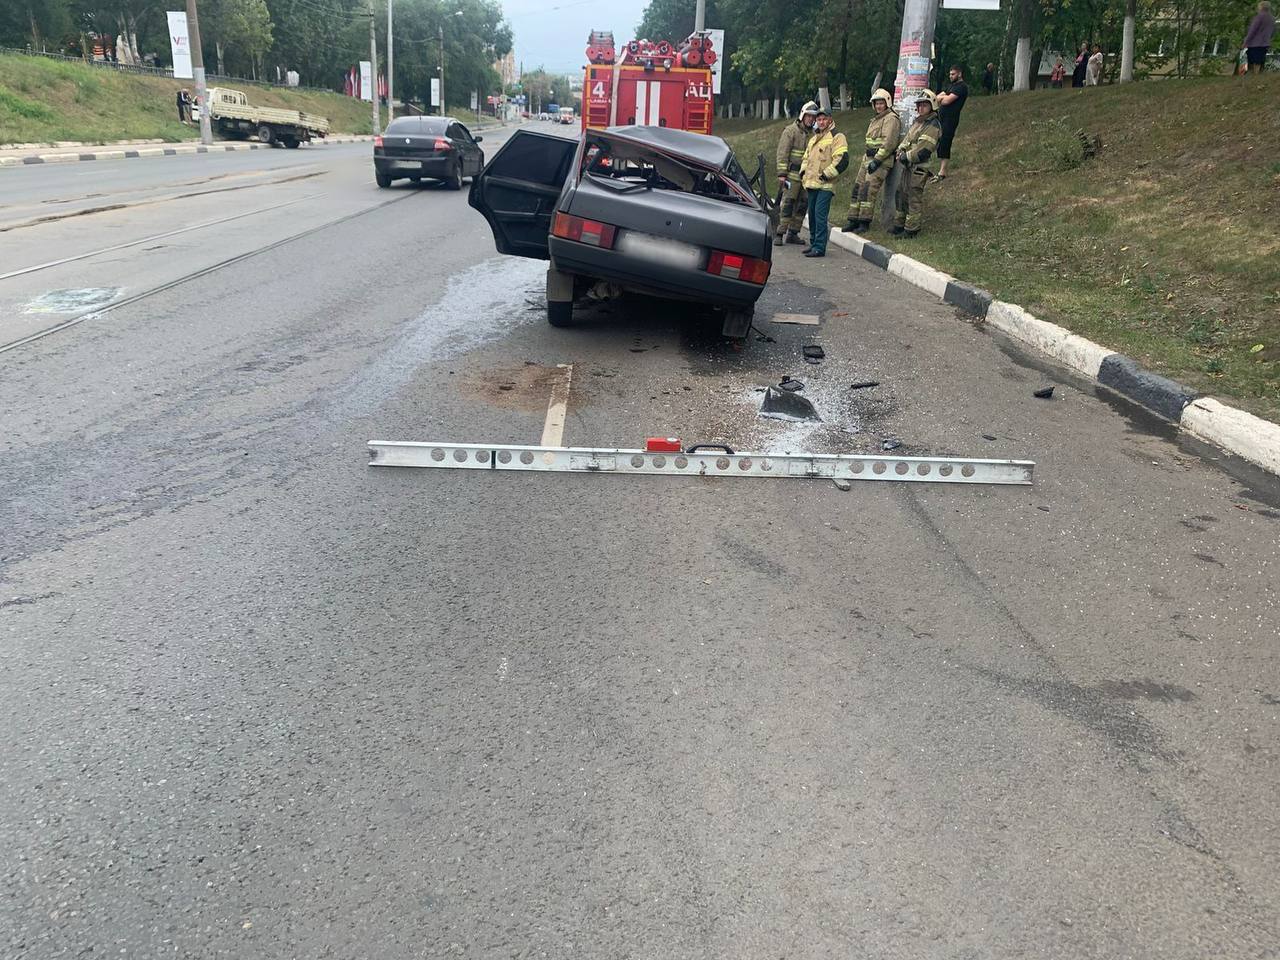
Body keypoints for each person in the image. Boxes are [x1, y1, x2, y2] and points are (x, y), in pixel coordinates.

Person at [842, 88, 901, 234]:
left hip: (880, 161)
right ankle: (853, 219)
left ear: (887, 103)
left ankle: (864, 222)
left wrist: (877, 160)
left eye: (881, 103)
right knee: (858, 188)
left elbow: (889, 143)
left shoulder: (891, 119)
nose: (879, 106)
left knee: (868, 190)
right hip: (867, 159)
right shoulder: (875, 119)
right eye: (876, 104)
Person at [798, 107, 849, 257]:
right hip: (811, 184)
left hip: (826, 185)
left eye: (824, 119)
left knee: (820, 216)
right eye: (819, 119)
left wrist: (826, 175)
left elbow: (842, 160)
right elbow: (806, 158)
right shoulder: (814, 138)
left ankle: (819, 247)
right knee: (812, 215)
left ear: (830, 120)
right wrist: (803, 172)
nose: (821, 122)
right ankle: (814, 243)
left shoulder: (837, 136)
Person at [891, 90, 942, 239]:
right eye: (919, 105)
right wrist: (900, 150)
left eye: (924, 105)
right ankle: (899, 225)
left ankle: (912, 229)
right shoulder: (918, 122)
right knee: (901, 195)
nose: (920, 108)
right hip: (908, 166)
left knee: (913, 197)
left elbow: (923, 150)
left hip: (919, 168)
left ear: (932, 106)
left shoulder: (933, 125)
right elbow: (907, 140)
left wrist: (905, 156)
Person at [773, 100, 818, 245]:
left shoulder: (814, 135)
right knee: (788, 204)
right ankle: (779, 233)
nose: (811, 119)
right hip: (791, 176)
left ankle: (793, 233)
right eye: (809, 116)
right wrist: (781, 173)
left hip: (807, 177)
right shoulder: (790, 131)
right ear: (802, 115)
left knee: (802, 205)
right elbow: (782, 152)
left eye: (813, 117)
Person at [935, 65, 968, 180]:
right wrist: (942, 97)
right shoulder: (952, 86)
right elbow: (937, 97)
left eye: (953, 74)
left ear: (959, 74)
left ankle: (943, 171)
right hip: (942, 117)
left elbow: (946, 101)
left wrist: (943, 98)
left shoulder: (962, 87)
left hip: (951, 119)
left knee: (945, 141)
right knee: (938, 140)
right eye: (950, 74)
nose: (951, 76)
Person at [1244, 1, 1276, 74]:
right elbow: (1274, 31)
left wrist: (1246, 42)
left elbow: (1252, 30)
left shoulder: (1259, 17)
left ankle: (1254, 77)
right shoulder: (1272, 18)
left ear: (1261, 7)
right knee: (1260, 60)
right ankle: (1258, 75)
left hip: (1255, 43)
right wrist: (1269, 39)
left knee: (1253, 61)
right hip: (1265, 43)